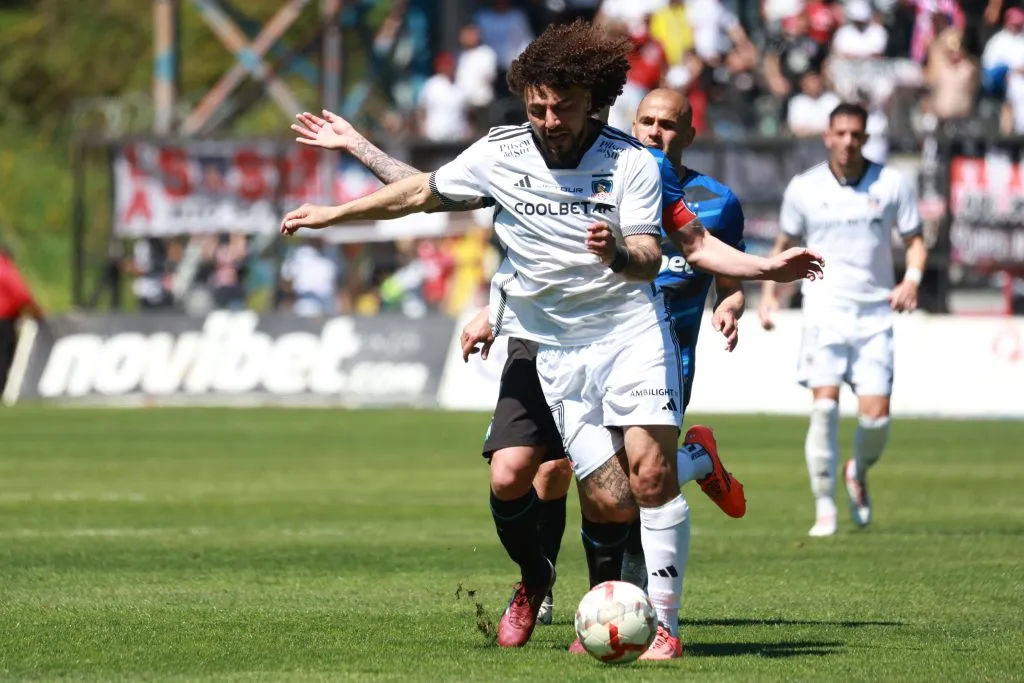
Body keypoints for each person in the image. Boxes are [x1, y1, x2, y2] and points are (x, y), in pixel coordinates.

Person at [284, 21, 822, 659]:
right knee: (602, 495)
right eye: (536, 106)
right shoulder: (501, 151)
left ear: (593, 100)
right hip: (552, 351)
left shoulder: (632, 164)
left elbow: (658, 254)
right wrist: (336, 212)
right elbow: (423, 190)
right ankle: (556, 578)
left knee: (649, 479)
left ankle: (666, 629)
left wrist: (626, 253)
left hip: (628, 333)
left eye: (560, 107)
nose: (547, 119)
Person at [758, 102, 927, 538]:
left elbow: (915, 241)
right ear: (827, 137)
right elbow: (786, 243)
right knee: (824, 408)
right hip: (823, 309)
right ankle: (825, 509)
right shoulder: (804, 188)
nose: (849, 141)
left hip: (875, 313)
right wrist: (769, 294)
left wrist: (911, 279)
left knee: (876, 419)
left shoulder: (891, 183)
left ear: (865, 138)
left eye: (857, 134)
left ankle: (858, 469)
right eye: (841, 133)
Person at [0, 244, 44, 397]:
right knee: (3, 356)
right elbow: (21, 295)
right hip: (3, 320)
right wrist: (38, 313)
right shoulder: (5, 269)